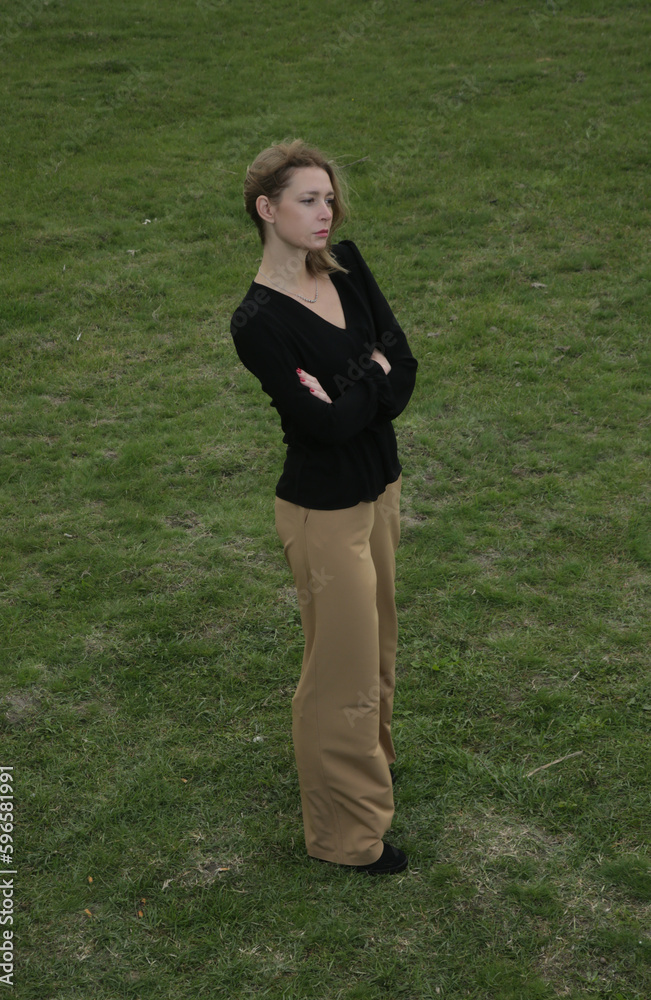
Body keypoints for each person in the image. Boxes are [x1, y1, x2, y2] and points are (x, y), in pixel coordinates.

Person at [230, 140, 418, 874]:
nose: (324, 211)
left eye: (328, 197)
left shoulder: (346, 265)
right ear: (266, 210)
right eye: (307, 200)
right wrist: (368, 379)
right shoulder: (258, 324)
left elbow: (401, 374)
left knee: (377, 651)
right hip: (323, 512)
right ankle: (344, 836)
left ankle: (370, 768)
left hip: (380, 489)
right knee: (338, 671)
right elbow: (326, 426)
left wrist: (361, 383)